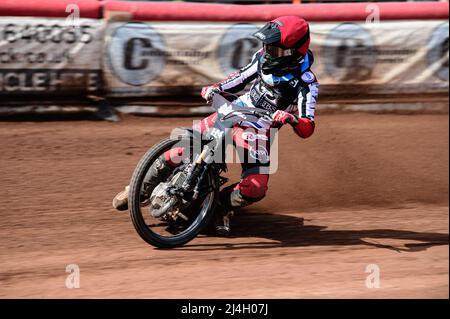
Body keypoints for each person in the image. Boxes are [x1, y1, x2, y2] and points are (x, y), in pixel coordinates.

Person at [113, 16, 319, 236]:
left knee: (255, 188)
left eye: (275, 49)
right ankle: (139, 189)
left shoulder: (307, 84)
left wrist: (291, 119)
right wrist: (216, 88)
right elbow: (241, 77)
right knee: (180, 151)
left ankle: (218, 208)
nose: (268, 52)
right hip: (236, 109)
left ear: (294, 52)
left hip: (259, 128)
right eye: (267, 46)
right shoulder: (262, 57)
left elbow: (308, 127)